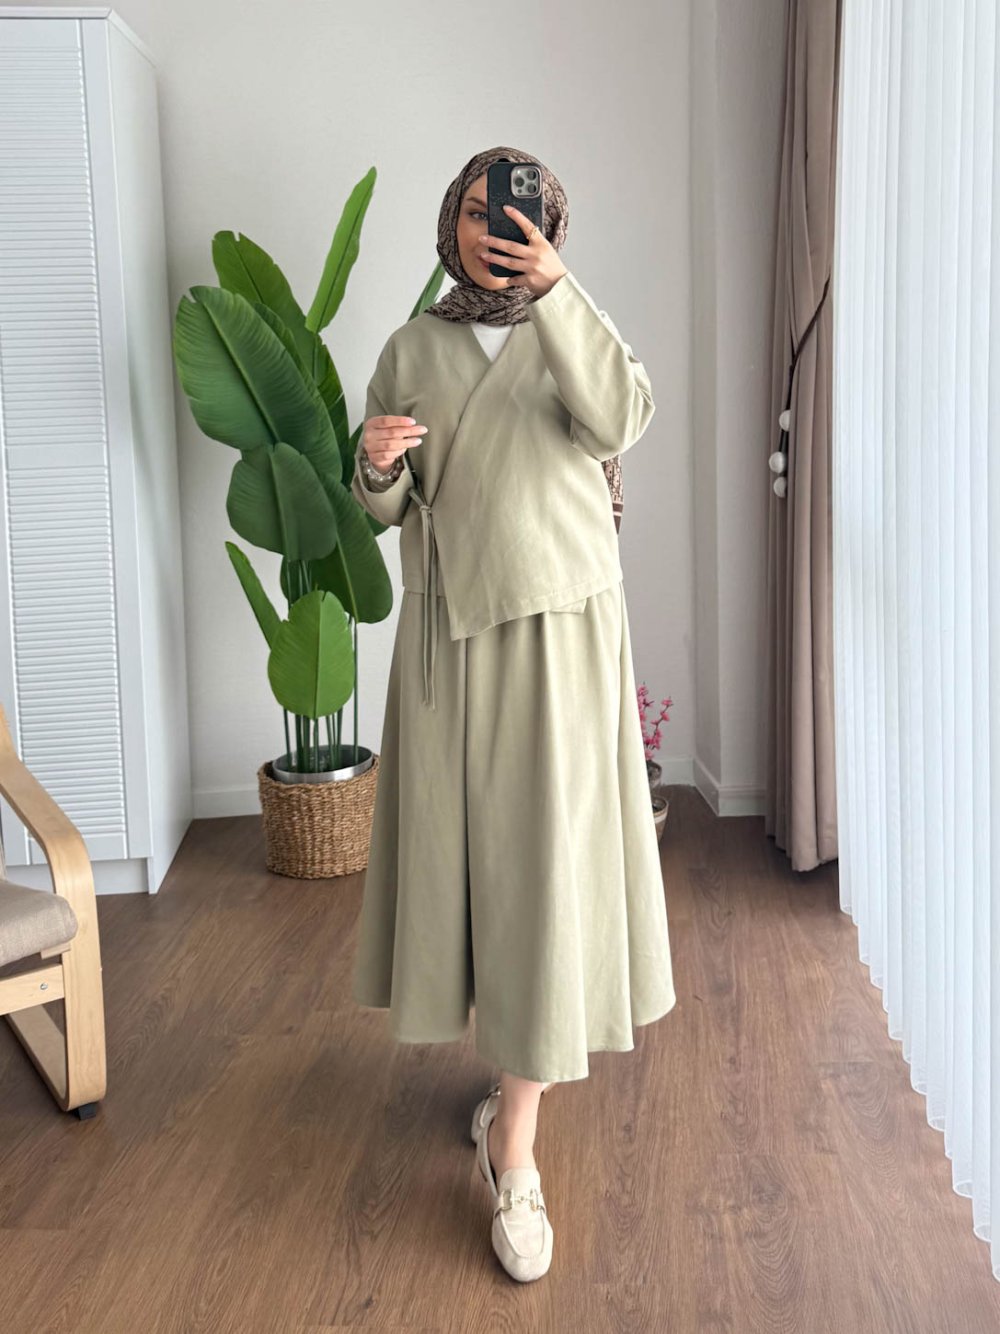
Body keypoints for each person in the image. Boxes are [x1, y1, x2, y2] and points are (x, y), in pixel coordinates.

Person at [350, 145, 676, 1283]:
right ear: (452, 224)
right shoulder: (413, 347)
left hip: (565, 631)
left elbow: (620, 419)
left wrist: (556, 294)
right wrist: (374, 462)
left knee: (543, 871)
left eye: (521, 215)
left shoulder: (573, 322)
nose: (502, 231)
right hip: (452, 638)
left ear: (550, 226)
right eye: (482, 213)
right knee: (471, 869)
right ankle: (505, 1094)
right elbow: (387, 505)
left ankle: (517, 1149)